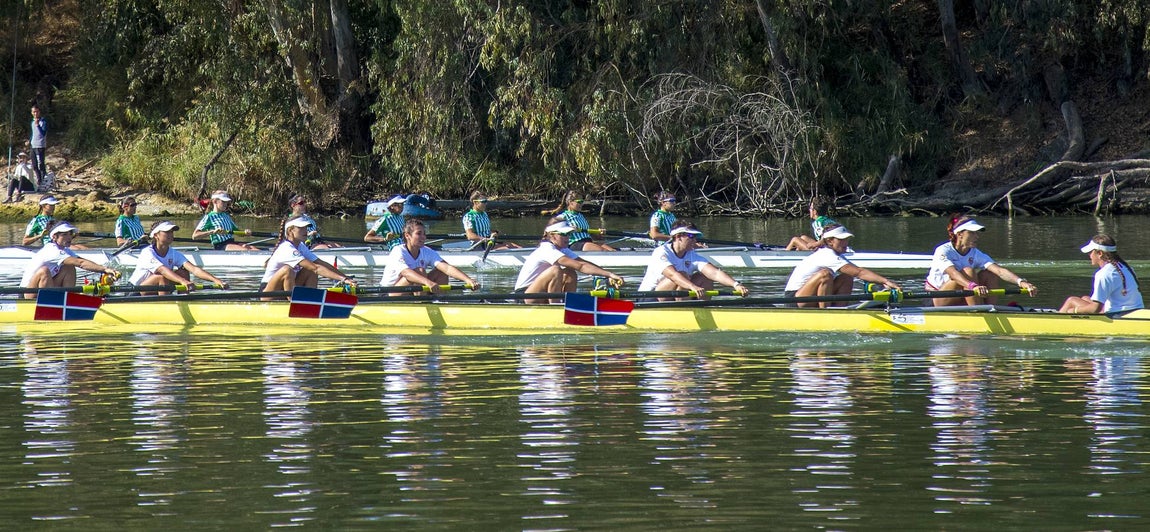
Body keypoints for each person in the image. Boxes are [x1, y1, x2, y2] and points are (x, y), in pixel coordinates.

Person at [926, 215, 1038, 306]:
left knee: (990, 273)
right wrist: (973, 286)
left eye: (977, 233)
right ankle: (978, 311)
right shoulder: (943, 251)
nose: (977, 236)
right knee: (969, 271)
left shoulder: (975, 253)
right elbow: (953, 274)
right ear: (960, 234)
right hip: (936, 298)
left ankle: (990, 310)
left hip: (962, 294)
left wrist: (1021, 282)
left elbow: (999, 271)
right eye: (972, 233)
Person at [783, 224, 901, 307]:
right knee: (825, 275)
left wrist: (881, 283)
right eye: (841, 239)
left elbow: (857, 271)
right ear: (830, 241)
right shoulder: (826, 254)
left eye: (846, 239)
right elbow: (859, 273)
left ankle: (840, 310)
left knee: (847, 277)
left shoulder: (834, 254)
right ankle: (825, 313)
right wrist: (885, 281)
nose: (846, 242)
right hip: (794, 299)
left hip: (807, 296)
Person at [513, 221, 625, 304]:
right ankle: (556, 308)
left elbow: (583, 263)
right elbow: (580, 266)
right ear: (552, 235)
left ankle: (568, 304)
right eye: (563, 234)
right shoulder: (547, 249)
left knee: (570, 272)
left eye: (569, 234)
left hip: (541, 293)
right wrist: (609, 274)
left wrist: (607, 275)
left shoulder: (562, 249)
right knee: (555, 270)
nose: (567, 237)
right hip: (524, 295)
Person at [638, 221, 750, 300]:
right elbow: (673, 275)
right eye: (691, 236)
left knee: (705, 277)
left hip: (673, 295)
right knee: (683, 275)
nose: (695, 240)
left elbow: (715, 273)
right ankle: (683, 311)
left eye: (696, 237)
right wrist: (692, 286)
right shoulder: (661, 252)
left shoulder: (691, 254)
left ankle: (703, 309)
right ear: (678, 237)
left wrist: (735, 284)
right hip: (649, 297)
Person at [260, 216, 355, 300]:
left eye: (306, 228)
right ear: (290, 231)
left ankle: (310, 300)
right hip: (268, 293)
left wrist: (346, 278)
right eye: (301, 228)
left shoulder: (301, 246)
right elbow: (316, 268)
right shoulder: (286, 248)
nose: (305, 231)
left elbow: (320, 263)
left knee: (310, 270)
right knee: (287, 270)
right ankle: (294, 303)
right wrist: (342, 279)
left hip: (287, 288)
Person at [20, 221, 120, 299]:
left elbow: (81, 260)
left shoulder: (65, 250)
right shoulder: (51, 250)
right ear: (54, 237)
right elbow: (81, 263)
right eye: (64, 234)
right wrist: (104, 269)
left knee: (69, 267)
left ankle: (68, 298)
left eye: (70, 234)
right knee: (44, 271)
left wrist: (104, 270)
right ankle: (52, 303)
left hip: (44, 288)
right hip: (28, 293)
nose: (69, 237)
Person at [381, 218, 480, 295]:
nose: (423, 237)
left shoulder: (426, 251)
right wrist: (428, 282)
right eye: (419, 233)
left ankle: (439, 301)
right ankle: (422, 302)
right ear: (407, 235)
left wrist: (468, 280)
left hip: (414, 290)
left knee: (441, 271)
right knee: (420, 271)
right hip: (389, 293)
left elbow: (447, 268)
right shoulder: (398, 251)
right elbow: (406, 273)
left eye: (424, 234)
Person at [129, 221, 230, 294]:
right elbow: (163, 270)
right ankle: (166, 306)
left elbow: (194, 269)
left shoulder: (173, 253)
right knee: (161, 277)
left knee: (183, 272)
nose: (171, 234)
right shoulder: (147, 252)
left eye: (172, 232)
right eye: (167, 232)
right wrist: (183, 281)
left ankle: (184, 301)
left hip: (157, 288)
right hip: (135, 291)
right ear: (156, 235)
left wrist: (216, 280)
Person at [1059, 235, 1143, 314]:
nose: (1089, 255)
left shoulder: (1103, 274)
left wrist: (1074, 310)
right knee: (1085, 298)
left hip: (1117, 314)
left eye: (1090, 252)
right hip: (1136, 310)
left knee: (1071, 300)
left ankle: (1057, 319)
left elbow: (1096, 309)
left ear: (1099, 253)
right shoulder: (1127, 268)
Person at [544, 190, 616, 251]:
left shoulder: (581, 216)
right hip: (575, 244)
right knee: (603, 251)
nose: (582, 204)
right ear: (570, 202)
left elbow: (589, 234)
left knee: (612, 250)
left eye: (582, 202)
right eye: (579, 201)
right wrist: (569, 229)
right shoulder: (563, 217)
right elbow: (548, 231)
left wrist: (598, 234)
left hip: (588, 242)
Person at [192, 190, 258, 250]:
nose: (225, 204)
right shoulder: (209, 217)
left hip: (231, 242)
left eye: (226, 202)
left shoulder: (226, 216)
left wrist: (245, 233)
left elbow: (238, 232)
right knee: (245, 250)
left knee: (254, 250)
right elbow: (194, 236)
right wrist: (212, 232)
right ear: (215, 201)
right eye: (223, 202)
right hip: (221, 246)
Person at [29, 104, 47, 184]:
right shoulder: (32, 122)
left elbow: (43, 133)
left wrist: (38, 125)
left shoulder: (43, 121)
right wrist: (29, 140)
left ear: (39, 112)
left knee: (41, 164)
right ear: (32, 113)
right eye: (34, 112)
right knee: (34, 165)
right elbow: (33, 133)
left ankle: (43, 179)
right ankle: (39, 179)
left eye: (37, 112)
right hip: (33, 145)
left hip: (40, 146)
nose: (35, 113)